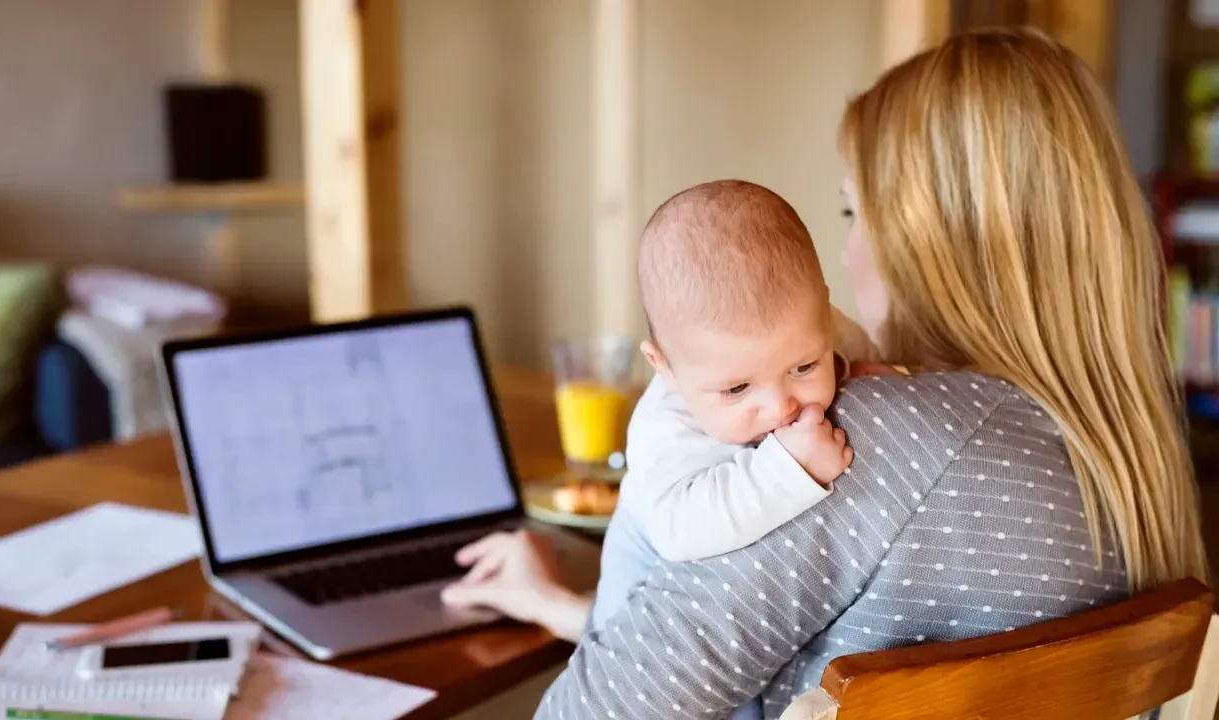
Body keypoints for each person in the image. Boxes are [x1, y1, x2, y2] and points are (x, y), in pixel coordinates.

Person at [442, 28, 1208, 719]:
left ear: (928, 241)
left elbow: (593, 715)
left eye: (851, 215)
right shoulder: (1129, 458)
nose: (844, 257)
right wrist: (570, 607)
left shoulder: (872, 440)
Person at [625, 179, 877, 564]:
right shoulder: (665, 427)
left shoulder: (820, 327)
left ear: (825, 315)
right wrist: (792, 468)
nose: (779, 408)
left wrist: (880, 373)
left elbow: (863, 355)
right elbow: (677, 532)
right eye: (737, 389)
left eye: (804, 366)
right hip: (640, 593)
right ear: (665, 367)